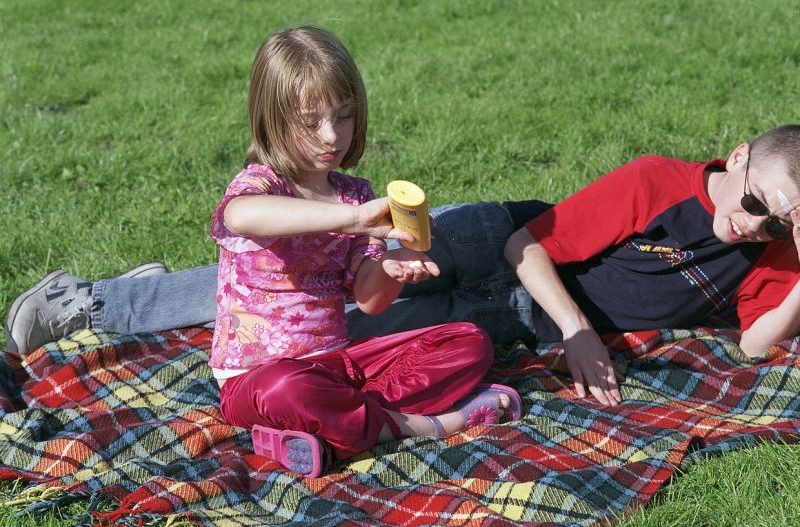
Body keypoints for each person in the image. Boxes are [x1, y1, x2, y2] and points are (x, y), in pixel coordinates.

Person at [5, 123, 800, 408]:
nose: (755, 224)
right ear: (737, 158)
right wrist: (577, 333)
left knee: (325, 339)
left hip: (500, 320)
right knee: (292, 291)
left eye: (782, 224)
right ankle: (96, 302)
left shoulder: (774, 254)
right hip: (486, 246)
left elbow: (756, 344)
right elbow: (532, 245)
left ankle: (162, 296)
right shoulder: (659, 181)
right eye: (759, 201)